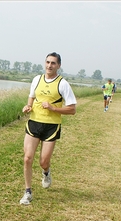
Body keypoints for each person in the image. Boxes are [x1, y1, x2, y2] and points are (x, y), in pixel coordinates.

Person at [20, 52, 77, 205]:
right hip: (34, 123)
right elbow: (32, 96)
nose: (49, 65)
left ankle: (46, 172)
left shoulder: (62, 83)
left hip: (51, 126)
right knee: (27, 158)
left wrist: (53, 108)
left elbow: (72, 109)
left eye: (53, 63)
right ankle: (28, 192)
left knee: (44, 161)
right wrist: (28, 106)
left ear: (58, 66)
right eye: (47, 62)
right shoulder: (37, 79)